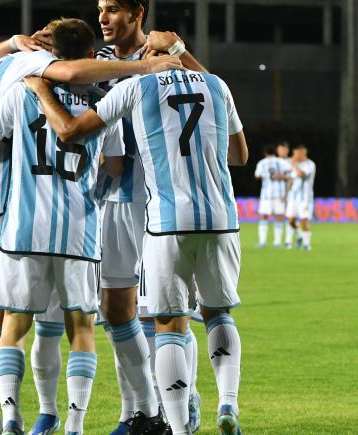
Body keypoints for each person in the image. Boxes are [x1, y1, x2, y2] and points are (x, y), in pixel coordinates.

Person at [0, 18, 183, 435]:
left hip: (20, 227)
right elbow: (113, 163)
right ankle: (75, 424)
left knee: (12, 326)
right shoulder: (99, 103)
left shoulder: (23, 92)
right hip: (80, 229)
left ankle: (9, 419)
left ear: (49, 54)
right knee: (82, 328)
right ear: (90, 53)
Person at [24, 60, 248, 435]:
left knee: (168, 325)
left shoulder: (134, 87)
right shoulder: (216, 83)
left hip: (165, 222)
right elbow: (239, 156)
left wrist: (41, 89)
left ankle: (177, 428)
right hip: (222, 218)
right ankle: (228, 402)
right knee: (218, 313)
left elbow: (72, 131)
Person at [91, 2, 209, 433]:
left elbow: (209, 88)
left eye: (112, 9)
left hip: (160, 199)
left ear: (136, 13)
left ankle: (183, 399)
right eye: (99, 8)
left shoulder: (163, 61)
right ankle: (139, 408)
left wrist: (178, 50)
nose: (103, 17)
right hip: (110, 199)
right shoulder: (95, 63)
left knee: (166, 309)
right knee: (113, 310)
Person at [254, 145, 291, 248]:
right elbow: (290, 175)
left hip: (266, 195)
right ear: (275, 152)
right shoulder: (282, 162)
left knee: (263, 217)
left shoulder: (262, 162)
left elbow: (257, 175)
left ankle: (262, 242)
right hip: (279, 194)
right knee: (278, 218)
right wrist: (282, 176)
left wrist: (264, 176)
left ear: (265, 153)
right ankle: (277, 243)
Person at [284, 145, 316, 251]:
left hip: (305, 198)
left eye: (297, 153)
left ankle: (307, 245)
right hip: (293, 197)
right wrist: (285, 194)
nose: (295, 156)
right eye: (294, 153)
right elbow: (291, 180)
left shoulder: (309, 164)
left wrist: (293, 164)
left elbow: (301, 174)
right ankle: (299, 236)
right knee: (290, 220)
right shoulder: (294, 165)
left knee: (304, 220)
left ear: (303, 153)